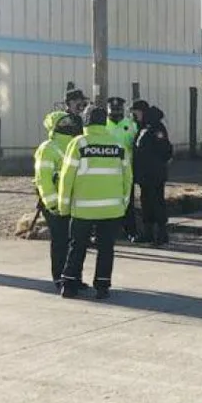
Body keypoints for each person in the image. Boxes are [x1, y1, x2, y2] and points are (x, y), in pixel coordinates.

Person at [57, 104, 132, 300]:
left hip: (83, 209)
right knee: (106, 248)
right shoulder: (118, 146)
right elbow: (127, 178)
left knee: (77, 246)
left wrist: (63, 206)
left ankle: (69, 285)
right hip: (112, 209)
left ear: (86, 121)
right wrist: (122, 204)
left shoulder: (79, 143)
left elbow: (67, 177)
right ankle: (102, 286)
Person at [34, 110, 83, 293]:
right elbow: (43, 179)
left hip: (74, 203)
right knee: (60, 241)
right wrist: (52, 203)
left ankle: (74, 277)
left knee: (75, 242)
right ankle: (59, 277)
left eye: (68, 121)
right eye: (62, 122)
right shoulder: (48, 148)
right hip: (55, 205)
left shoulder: (75, 144)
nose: (67, 124)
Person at [133, 106, 173, 245]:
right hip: (144, 175)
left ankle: (161, 235)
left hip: (154, 174)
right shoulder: (144, 127)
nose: (135, 115)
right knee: (146, 204)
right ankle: (148, 233)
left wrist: (155, 165)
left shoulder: (157, 128)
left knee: (157, 203)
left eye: (136, 112)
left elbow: (166, 150)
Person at [107, 97, 144, 240]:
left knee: (127, 202)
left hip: (126, 170)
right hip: (107, 171)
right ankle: (110, 231)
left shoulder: (131, 125)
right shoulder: (103, 125)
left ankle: (131, 231)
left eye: (118, 109)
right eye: (113, 109)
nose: (116, 112)